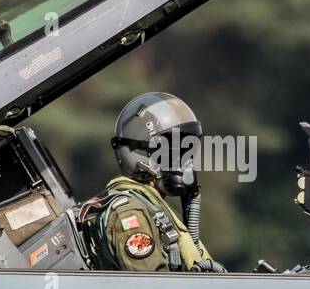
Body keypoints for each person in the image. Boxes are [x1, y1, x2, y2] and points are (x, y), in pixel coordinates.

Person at [77, 92, 225, 272]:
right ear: (141, 155)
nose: (182, 161)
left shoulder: (153, 207)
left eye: (185, 151)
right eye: (170, 152)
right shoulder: (130, 214)